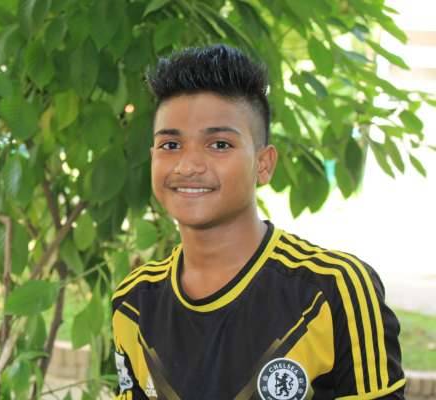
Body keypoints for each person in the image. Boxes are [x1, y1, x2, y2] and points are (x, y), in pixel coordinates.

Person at [111, 44, 405, 400]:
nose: (188, 166)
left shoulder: (333, 291)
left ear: (263, 164)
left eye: (219, 144)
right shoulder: (134, 303)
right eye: (171, 145)